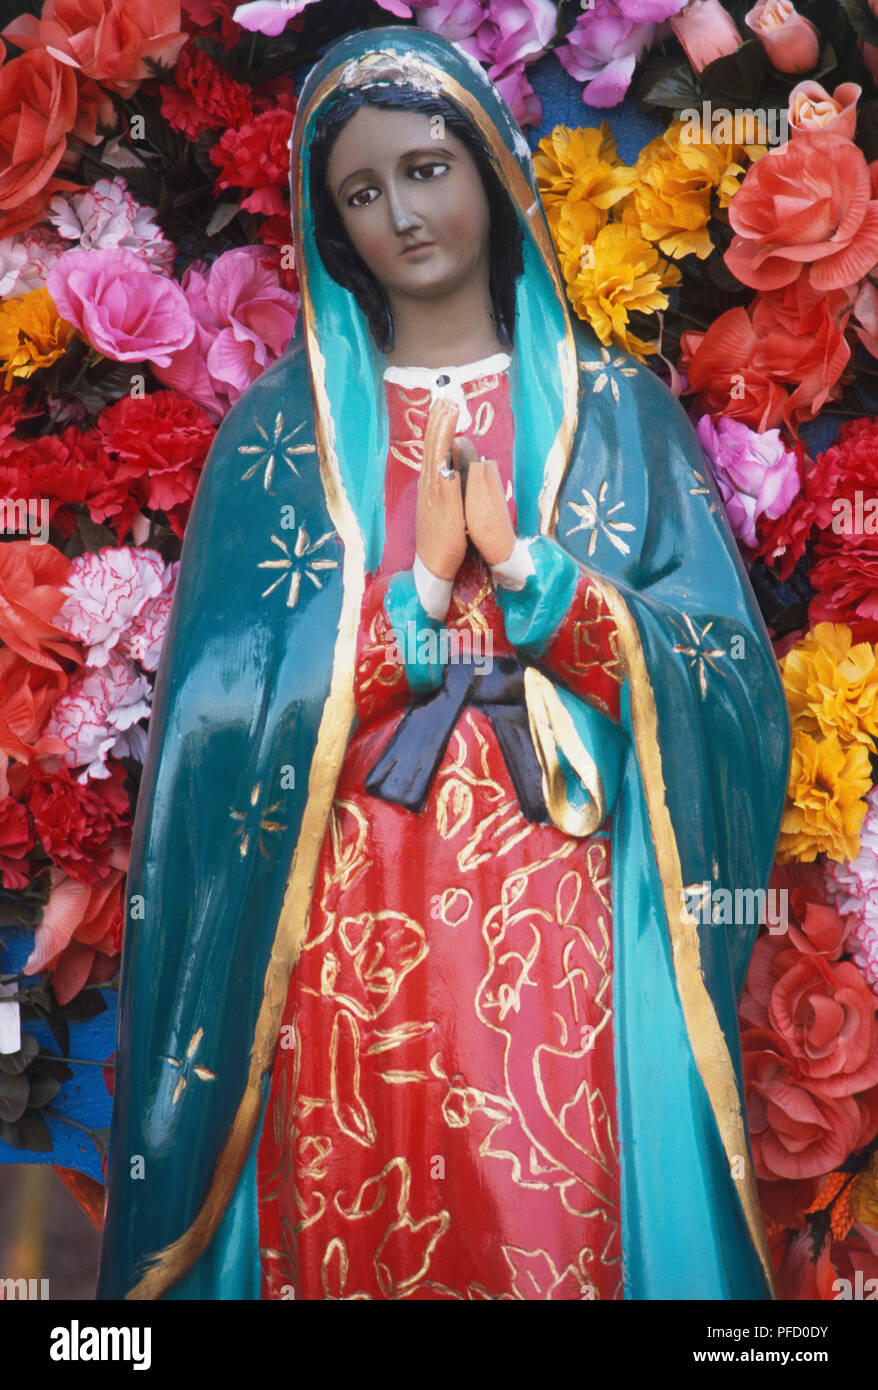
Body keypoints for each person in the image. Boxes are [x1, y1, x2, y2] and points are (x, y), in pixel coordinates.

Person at [98, 26, 790, 1301]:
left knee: (548, 1213)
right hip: (340, 892)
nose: (402, 215)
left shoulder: (613, 409)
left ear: (490, 170)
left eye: (426, 170)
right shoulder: (280, 434)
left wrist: (545, 593)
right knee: (355, 1189)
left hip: (571, 894)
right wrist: (408, 606)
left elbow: (724, 676)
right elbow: (213, 713)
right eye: (361, 194)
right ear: (328, 226)